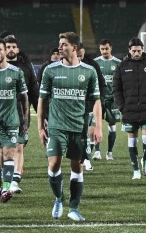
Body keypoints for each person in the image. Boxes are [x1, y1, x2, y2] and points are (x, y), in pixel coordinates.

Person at [38, 32, 102, 221]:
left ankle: (73, 208)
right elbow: (42, 100)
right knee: (53, 165)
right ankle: (59, 197)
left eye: (64, 44)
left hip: (78, 128)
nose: (60, 47)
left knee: (77, 168)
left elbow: (96, 101)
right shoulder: (50, 70)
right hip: (56, 126)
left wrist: (98, 126)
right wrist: (40, 127)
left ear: (74, 47)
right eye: (59, 44)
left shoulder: (89, 72)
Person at [0, 38, 28, 201]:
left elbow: (23, 97)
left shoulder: (16, 72)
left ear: (5, 51)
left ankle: (6, 189)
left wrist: (25, 120)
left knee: (9, 154)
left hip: (10, 122)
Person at [113, 37, 146, 180]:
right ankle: (135, 170)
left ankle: (145, 159)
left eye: (139, 51)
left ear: (143, 50)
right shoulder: (122, 66)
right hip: (129, 110)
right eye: (134, 51)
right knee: (132, 141)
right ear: (129, 50)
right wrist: (122, 106)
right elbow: (116, 89)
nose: (136, 53)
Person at [0, 30, 39, 195]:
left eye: (13, 47)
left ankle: (15, 181)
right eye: (8, 47)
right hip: (1, 114)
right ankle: (5, 179)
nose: (11, 49)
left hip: (21, 113)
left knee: (19, 146)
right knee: (3, 150)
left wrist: (41, 113)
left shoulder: (26, 67)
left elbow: (34, 91)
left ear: (17, 49)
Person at [77, 45, 106, 171]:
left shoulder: (92, 66)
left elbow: (102, 84)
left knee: (90, 132)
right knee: (79, 135)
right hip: (76, 107)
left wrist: (100, 100)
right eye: (77, 55)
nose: (79, 58)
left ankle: (86, 158)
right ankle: (81, 158)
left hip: (91, 105)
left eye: (81, 55)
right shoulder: (67, 66)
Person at [92, 39, 122, 161]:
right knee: (95, 125)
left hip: (113, 100)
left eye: (106, 49)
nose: (104, 51)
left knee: (112, 125)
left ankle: (109, 152)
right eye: (102, 49)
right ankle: (97, 152)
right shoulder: (95, 63)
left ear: (111, 48)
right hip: (98, 99)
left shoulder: (118, 63)